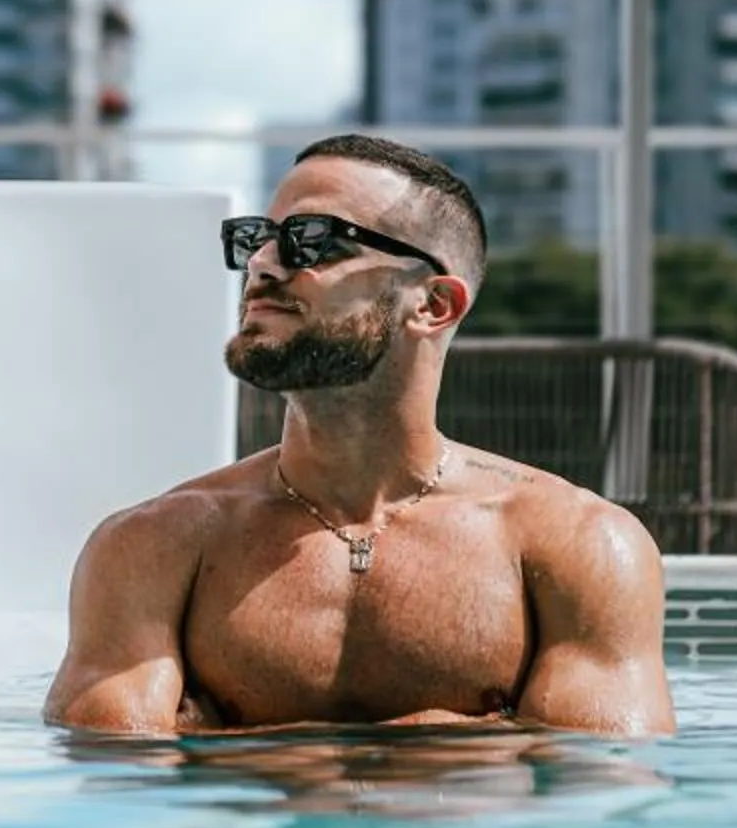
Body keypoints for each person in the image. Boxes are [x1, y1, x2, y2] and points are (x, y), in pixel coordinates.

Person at [46, 134, 671, 738]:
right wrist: (459, 734)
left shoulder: (577, 545)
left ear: (432, 305)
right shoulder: (154, 546)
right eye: (258, 240)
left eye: (312, 241)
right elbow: (118, 789)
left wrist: (239, 743)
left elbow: (601, 792)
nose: (263, 264)